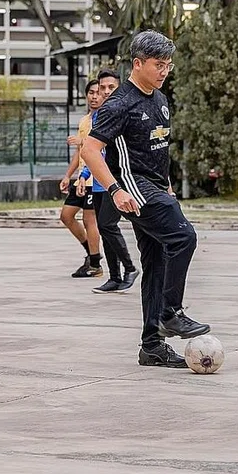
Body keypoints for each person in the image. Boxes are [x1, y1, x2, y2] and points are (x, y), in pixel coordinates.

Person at [82, 31, 210, 366]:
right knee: (184, 236)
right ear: (137, 64)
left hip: (154, 186)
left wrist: (167, 186)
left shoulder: (160, 100)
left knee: (157, 262)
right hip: (132, 186)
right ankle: (170, 313)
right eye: (158, 65)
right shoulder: (119, 104)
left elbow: (158, 150)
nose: (164, 71)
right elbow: (90, 150)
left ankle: (152, 346)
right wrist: (115, 190)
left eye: (168, 65)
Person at [82, 69, 139, 294]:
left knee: (107, 224)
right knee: (104, 228)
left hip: (116, 181)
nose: (105, 92)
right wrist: (84, 176)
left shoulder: (123, 111)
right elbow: (92, 151)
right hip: (98, 182)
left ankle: (130, 267)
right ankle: (114, 277)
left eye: (110, 87)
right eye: (102, 88)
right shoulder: (98, 116)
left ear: (119, 87)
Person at [60, 80, 104, 278]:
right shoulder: (85, 121)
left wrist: (82, 140)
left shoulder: (104, 119)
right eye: (91, 93)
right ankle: (92, 253)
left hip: (96, 177)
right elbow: (80, 152)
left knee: (89, 219)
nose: (94, 97)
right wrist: (68, 175)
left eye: (98, 93)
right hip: (82, 178)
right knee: (66, 215)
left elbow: (103, 146)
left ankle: (95, 265)